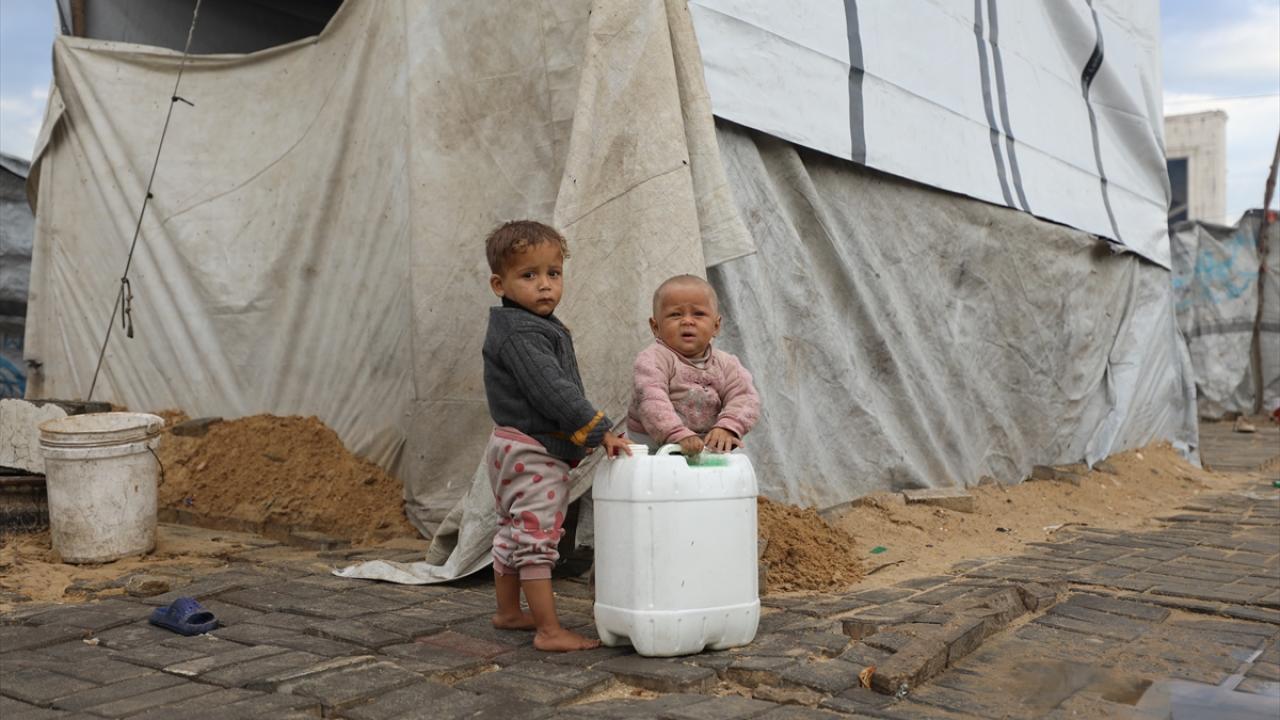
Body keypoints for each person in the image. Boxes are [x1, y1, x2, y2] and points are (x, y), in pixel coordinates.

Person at [481, 220, 631, 652]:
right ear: (500, 284)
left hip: (509, 445)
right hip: (534, 450)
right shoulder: (523, 333)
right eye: (529, 275)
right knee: (537, 537)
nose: (545, 285)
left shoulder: (523, 324)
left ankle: (509, 612)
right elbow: (553, 390)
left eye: (553, 273)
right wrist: (600, 431)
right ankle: (549, 631)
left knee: (512, 529)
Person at [627, 274, 761, 455]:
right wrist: (677, 434)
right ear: (656, 327)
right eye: (675, 314)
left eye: (699, 314)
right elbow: (651, 399)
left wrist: (728, 427)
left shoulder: (726, 364)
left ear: (716, 326)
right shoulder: (653, 359)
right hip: (652, 448)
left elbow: (745, 397)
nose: (687, 321)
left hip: (703, 446)